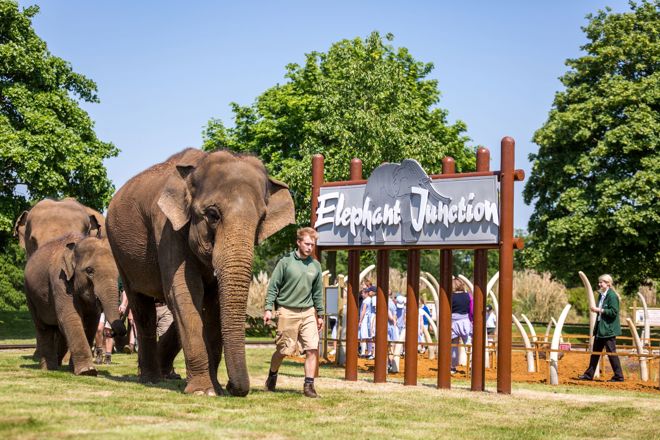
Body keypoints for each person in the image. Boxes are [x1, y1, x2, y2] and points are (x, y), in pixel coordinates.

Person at [263, 227, 324, 398]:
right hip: (287, 311)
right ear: (298, 242)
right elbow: (273, 287)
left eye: (312, 245)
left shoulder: (315, 266)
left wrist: (320, 314)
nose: (310, 247)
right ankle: (272, 374)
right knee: (283, 350)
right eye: (307, 244)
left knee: (312, 348)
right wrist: (268, 308)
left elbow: (318, 292)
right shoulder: (285, 262)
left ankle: (309, 386)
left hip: (308, 312)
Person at [578, 274, 624, 382]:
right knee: (595, 352)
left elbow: (613, 312)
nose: (599, 284)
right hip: (600, 329)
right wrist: (598, 310)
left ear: (608, 283)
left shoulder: (612, 296)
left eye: (601, 282)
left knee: (611, 353)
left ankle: (619, 376)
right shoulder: (601, 295)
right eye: (599, 282)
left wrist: (599, 310)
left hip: (608, 330)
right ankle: (589, 375)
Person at [450, 278, 473, 374]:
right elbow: (471, 309)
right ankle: (472, 367)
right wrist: (472, 320)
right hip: (465, 322)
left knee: (454, 345)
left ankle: (452, 367)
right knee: (469, 344)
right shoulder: (468, 295)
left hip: (453, 322)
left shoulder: (451, 296)